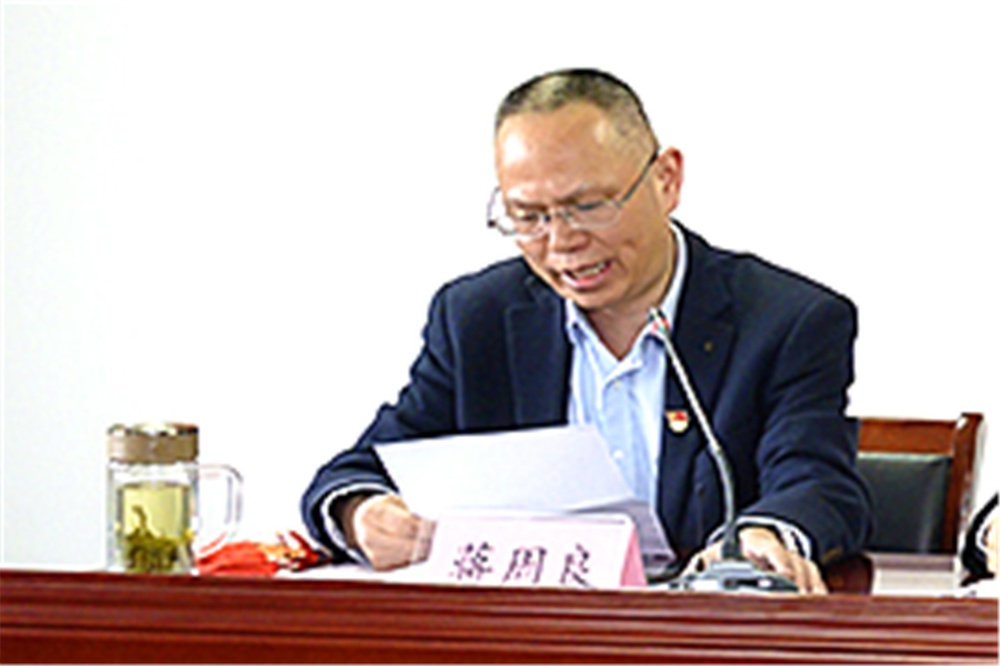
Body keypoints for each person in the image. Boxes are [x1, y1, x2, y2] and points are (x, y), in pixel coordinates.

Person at [301, 68, 872, 594]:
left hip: (699, 637)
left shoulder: (787, 321)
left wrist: (761, 536)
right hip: (525, 636)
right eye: (529, 217)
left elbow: (817, 482)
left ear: (666, 179)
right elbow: (360, 470)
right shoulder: (477, 319)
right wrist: (364, 513)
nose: (562, 241)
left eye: (590, 206)